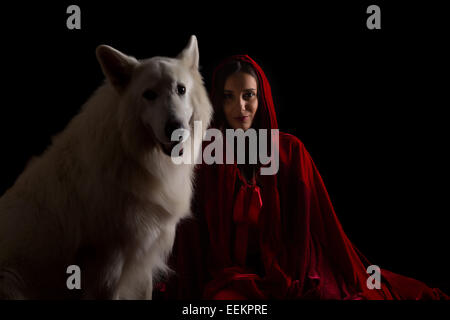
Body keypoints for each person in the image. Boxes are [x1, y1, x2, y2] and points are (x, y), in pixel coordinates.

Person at [153, 55, 448, 300]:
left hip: (285, 271)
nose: (239, 108)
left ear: (261, 97)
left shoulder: (290, 151)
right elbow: (192, 230)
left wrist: (285, 275)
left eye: (248, 96)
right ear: (216, 101)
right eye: (228, 97)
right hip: (226, 274)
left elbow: (310, 225)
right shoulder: (206, 155)